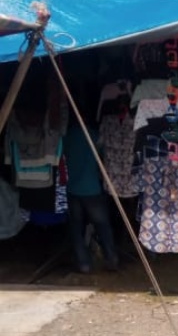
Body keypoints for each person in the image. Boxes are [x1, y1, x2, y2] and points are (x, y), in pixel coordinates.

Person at [65, 117, 119, 274]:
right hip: (92, 188)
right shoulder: (96, 136)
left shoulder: (67, 135)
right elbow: (104, 158)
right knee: (103, 226)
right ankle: (111, 258)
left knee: (76, 227)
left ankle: (84, 264)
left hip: (72, 187)